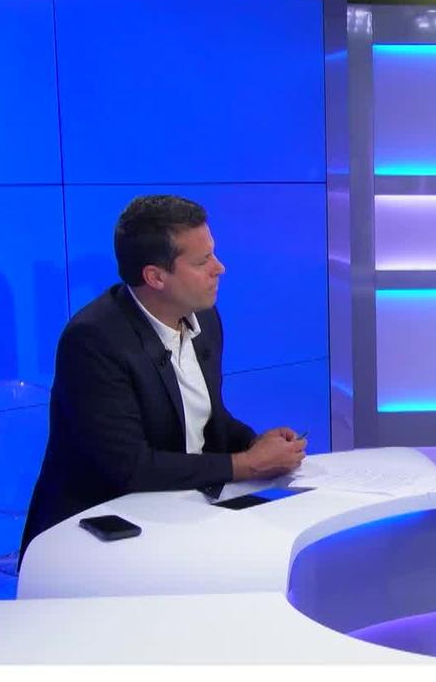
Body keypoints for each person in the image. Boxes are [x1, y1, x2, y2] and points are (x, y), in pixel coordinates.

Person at [21, 195, 305, 553]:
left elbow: (204, 417)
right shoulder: (93, 341)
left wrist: (255, 443)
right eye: (202, 261)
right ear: (155, 277)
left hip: (185, 505)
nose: (219, 268)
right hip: (100, 529)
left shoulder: (204, 318)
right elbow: (129, 467)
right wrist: (246, 465)